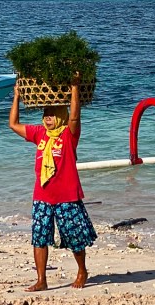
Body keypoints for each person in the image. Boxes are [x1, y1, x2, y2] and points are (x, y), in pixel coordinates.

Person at [8, 74, 96, 292]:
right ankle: (41, 280)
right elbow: (13, 124)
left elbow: (75, 118)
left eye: (51, 114)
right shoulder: (39, 134)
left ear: (60, 116)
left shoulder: (68, 134)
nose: (47, 118)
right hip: (42, 196)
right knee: (39, 237)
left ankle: (82, 270)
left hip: (67, 196)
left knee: (75, 238)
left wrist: (74, 87)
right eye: (45, 114)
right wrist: (17, 96)